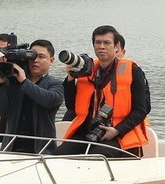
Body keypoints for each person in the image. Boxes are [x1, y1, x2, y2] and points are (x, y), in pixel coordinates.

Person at [53, 25, 149, 158]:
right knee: (56, 156)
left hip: (121, 134)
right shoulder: (87, 69)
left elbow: (141, 110)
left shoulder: (133, 70)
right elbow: (72, 107)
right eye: (97, 42)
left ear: (116, 46)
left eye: (106, 42)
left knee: (96, 157)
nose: (101, 46)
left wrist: (117, 130)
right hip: (89, 132)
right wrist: (70, 79)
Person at [0, 39, 64, 153]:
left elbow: (47, 100)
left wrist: (25, 82)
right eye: (32, 56)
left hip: (41, 151)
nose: (35, 60)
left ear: (51, 60)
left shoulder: (56, 84)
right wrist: (1, 84)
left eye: (41, 57)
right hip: (11, 149)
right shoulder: (14, 82)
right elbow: (0, 110)